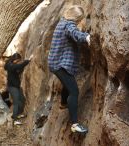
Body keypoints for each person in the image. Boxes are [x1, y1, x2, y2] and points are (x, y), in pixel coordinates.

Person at [48, 5, 90, 133]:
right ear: (77, 18)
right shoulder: (68, 25)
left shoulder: (62, 22)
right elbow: (75, 33)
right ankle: (75, 124)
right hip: (60, 65)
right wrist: (87, 37)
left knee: (67, 83)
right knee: (74, 91)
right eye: (81, 19)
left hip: (56, 63)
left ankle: (63, 103)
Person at [4, 53, 32, 125]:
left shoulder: (11, 64)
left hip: (16, 86)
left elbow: (18, 68)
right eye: (18, 60)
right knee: (16, 103)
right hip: (12, 87)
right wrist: (27, 61)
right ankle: (15, 120)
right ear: (15, 59)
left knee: (22, 100)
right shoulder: (10, 65)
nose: (18, 61)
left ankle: (17, 114)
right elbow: (19, 66)